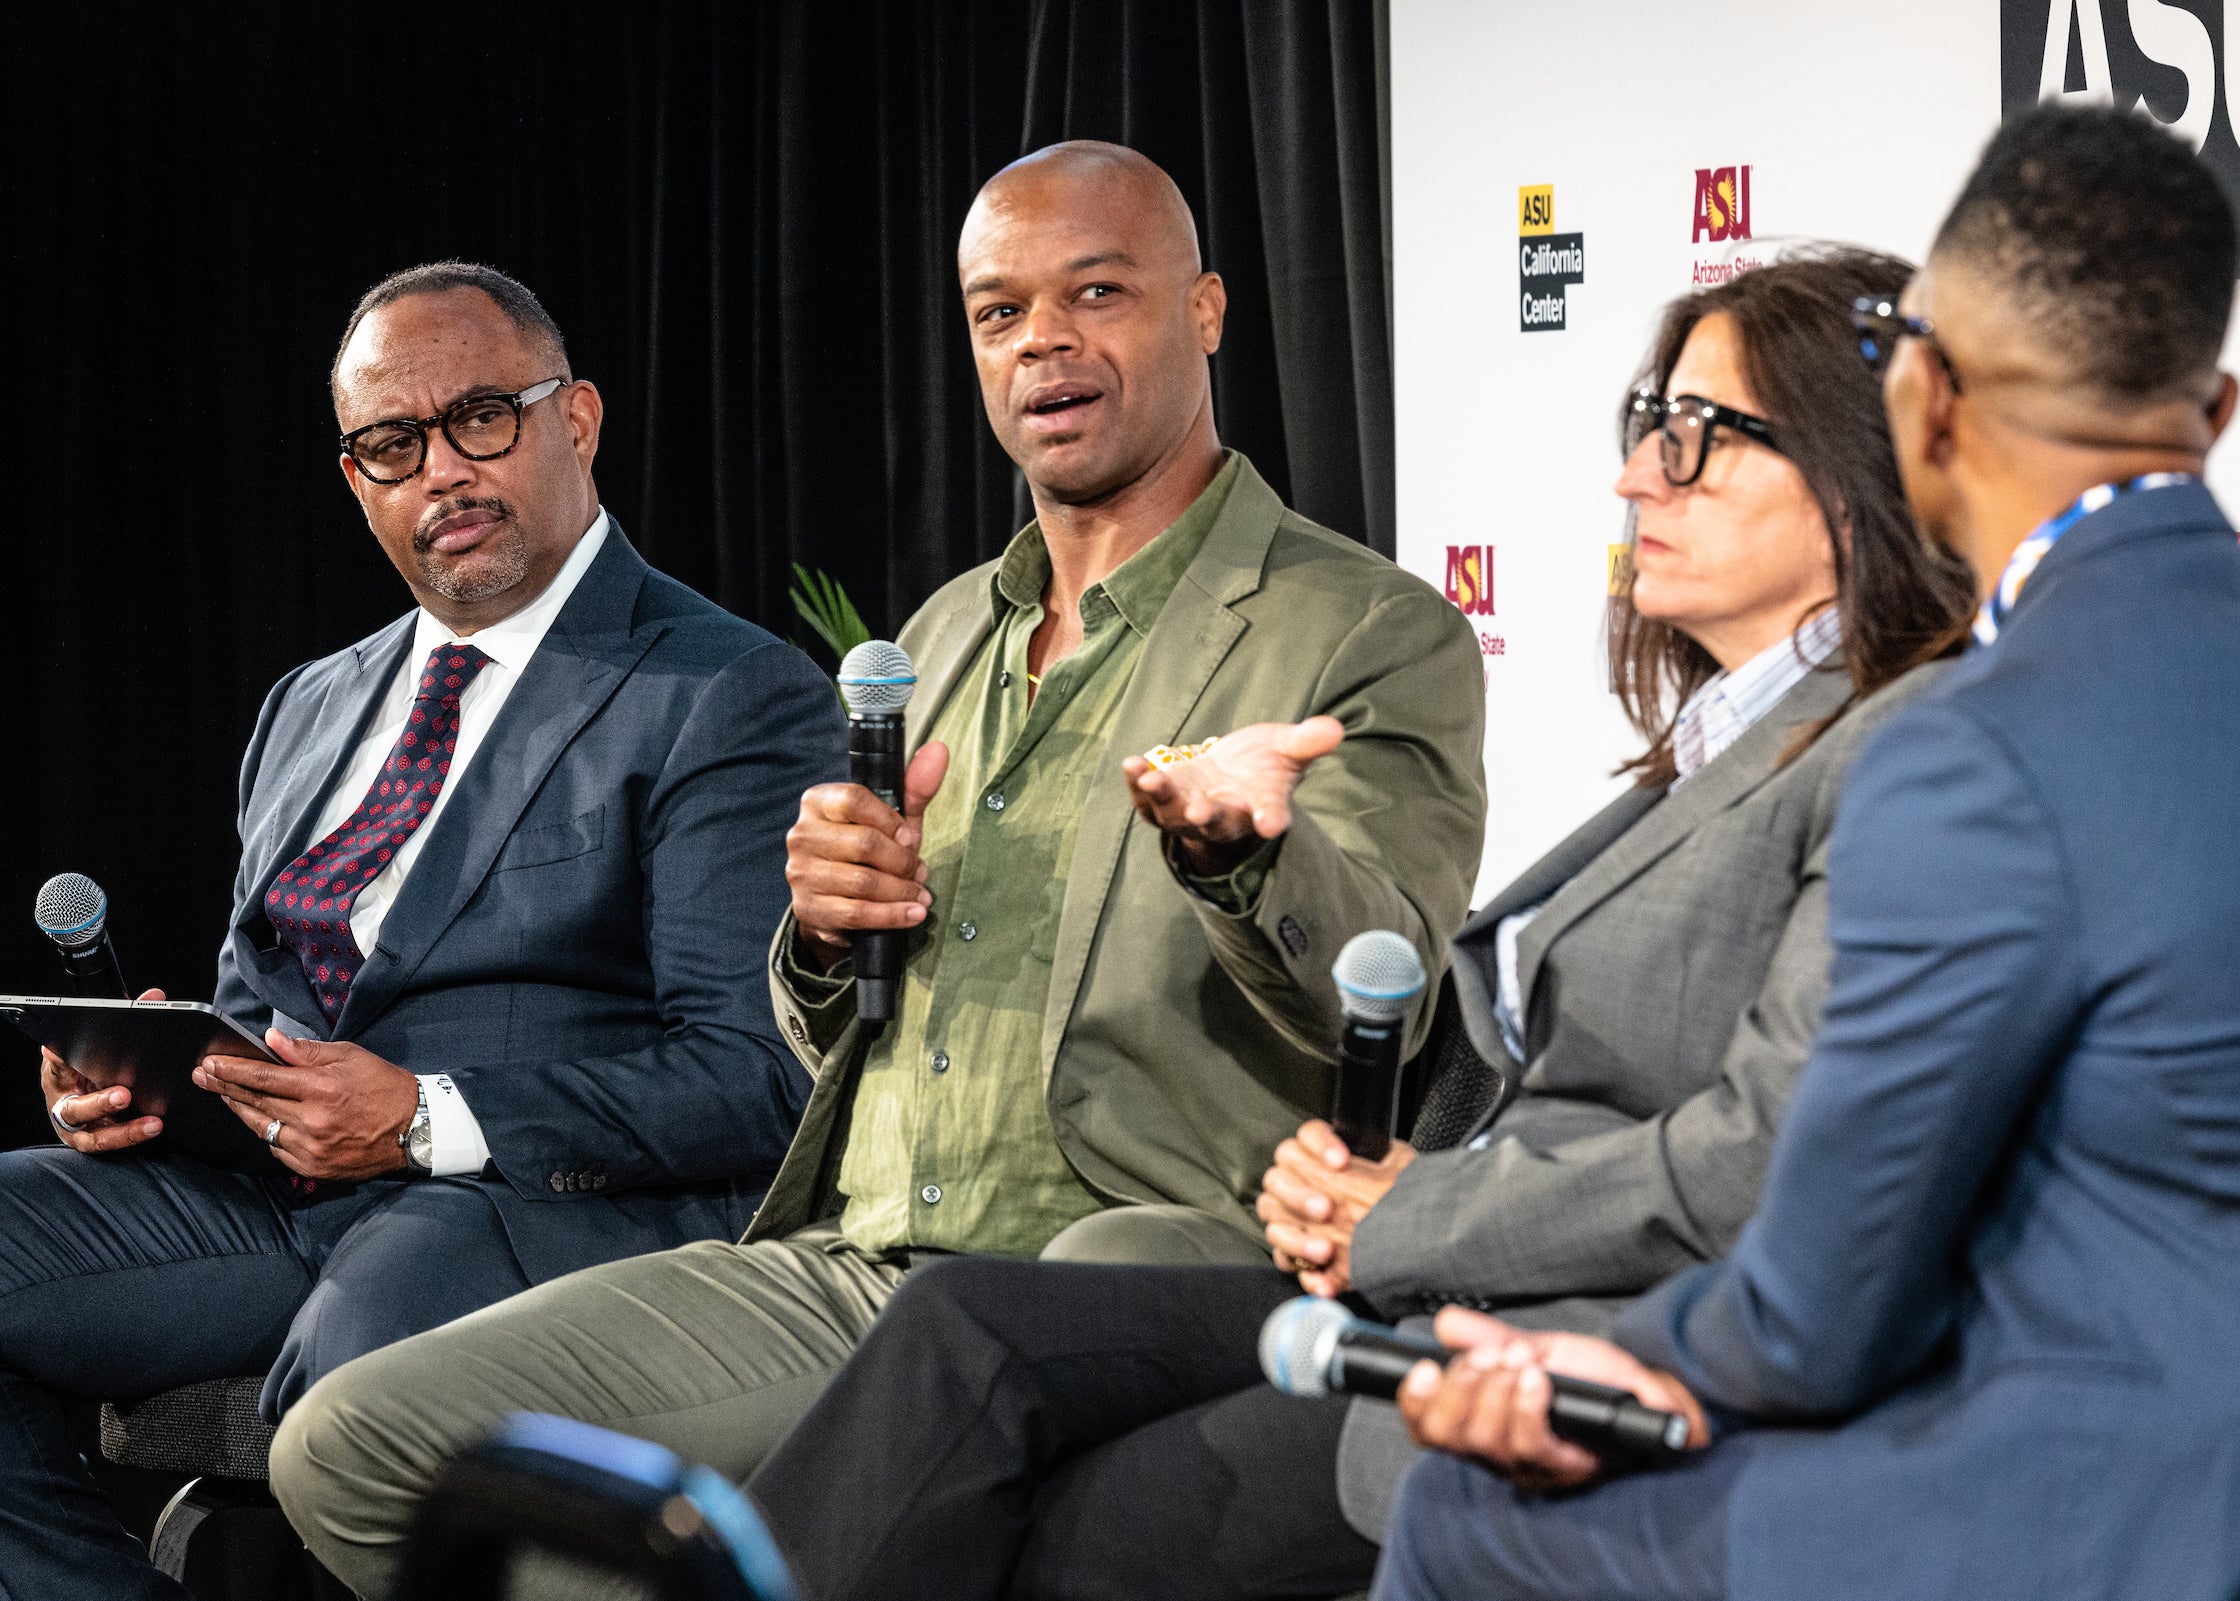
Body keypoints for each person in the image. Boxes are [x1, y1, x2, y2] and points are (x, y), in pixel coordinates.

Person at [269, 140, 1486, 1598]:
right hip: (859, 1255)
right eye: (998, 312)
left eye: (1096, 292)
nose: (1045, 340)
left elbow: (1395, 1003)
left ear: (1208, 310)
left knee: (970, 1382)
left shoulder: (1364, 628)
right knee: (349, 1443)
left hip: (1123, 1252)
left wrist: (1247, 857)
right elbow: (828, 1028)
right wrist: (825, 931)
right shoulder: (950, 631)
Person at [731, 247, 1977, 1601]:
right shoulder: (1725, 744)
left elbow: (1767, 1154)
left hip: (1579, 1324)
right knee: (963, 1331)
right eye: (1642, 431)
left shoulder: (1903, 743)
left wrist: (1414, 1210)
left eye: (1693, 438)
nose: (1636, 479)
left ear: (1871, 459)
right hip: (1438, 1275)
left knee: (1031, 1476)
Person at [0, 262, 846, 1601]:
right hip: (276, 1198)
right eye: (394, 443)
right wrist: (155, 1079)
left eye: (483, 416)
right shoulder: (309, 706)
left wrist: (427, 1117)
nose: (444, 468)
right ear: (357, 478)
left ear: (581, 420)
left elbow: (756, 1073)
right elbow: (258, 1009)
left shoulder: (723, 688)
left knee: (354, 1379)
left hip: (523, 1210)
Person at [1372, 103, 2240, 1601]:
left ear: (1921, 398)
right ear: (2217, 411)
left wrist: (1564, 1356)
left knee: (1463, 1515)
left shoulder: (1966, 744)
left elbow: (1815, 1314)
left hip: (2111, 1503)